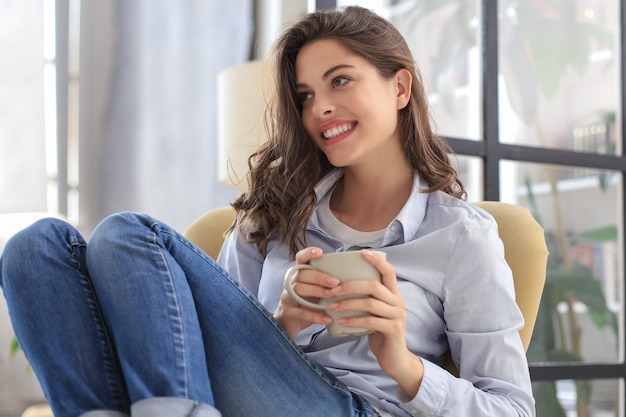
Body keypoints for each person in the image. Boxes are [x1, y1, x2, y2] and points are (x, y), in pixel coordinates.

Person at [0, 6, 535, 417]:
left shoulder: (461, 237)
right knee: (33, 248)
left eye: (340, 80)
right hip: (239, 399)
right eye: (304, 95)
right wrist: (281, 325)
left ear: (399, 87)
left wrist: (405, 364)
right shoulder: (272, 214)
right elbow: (203, 349)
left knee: (125, 234)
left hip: (353, 408)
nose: (318, 108)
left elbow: (513, 408)